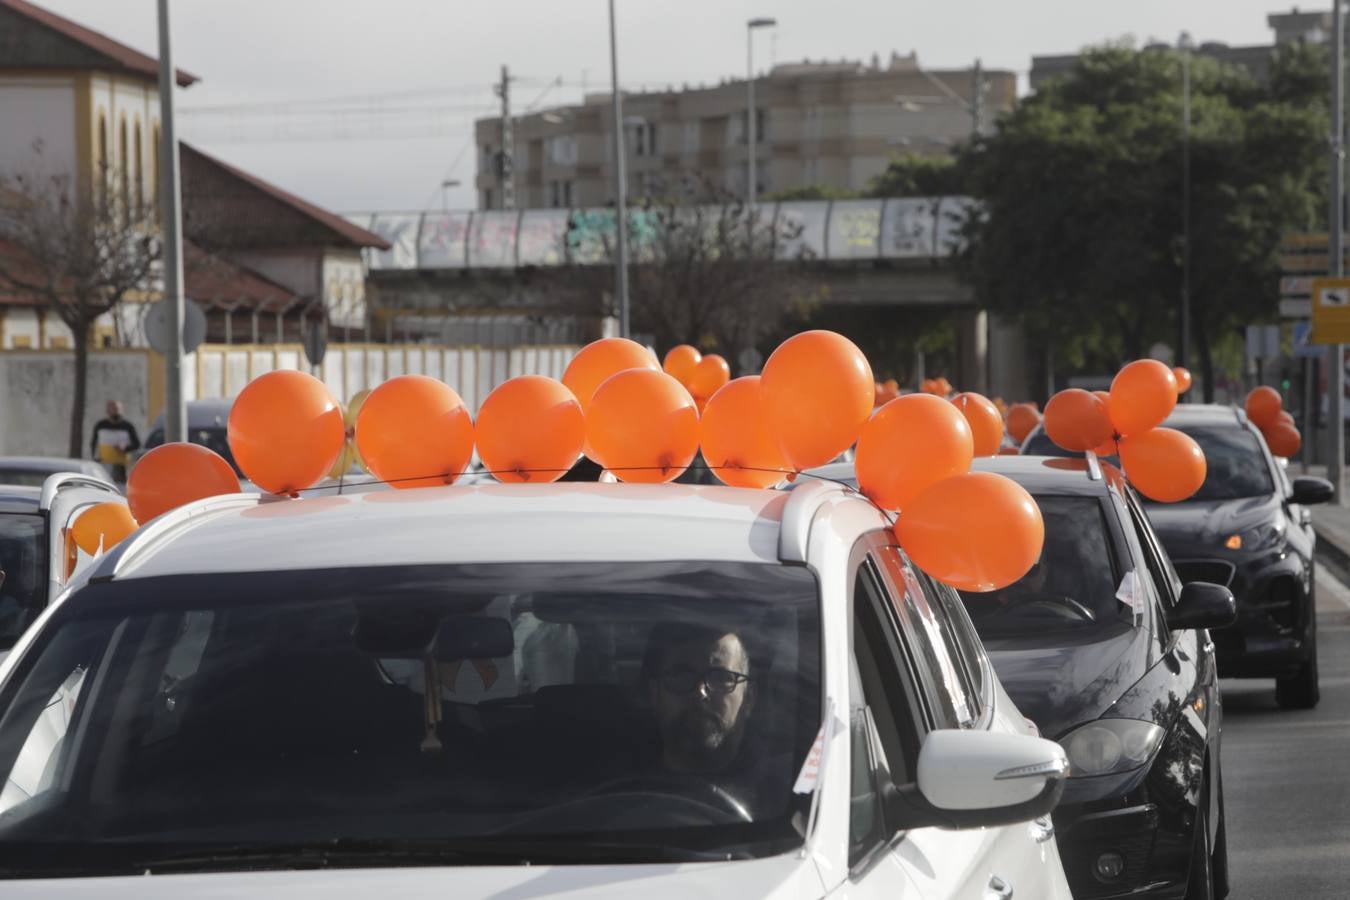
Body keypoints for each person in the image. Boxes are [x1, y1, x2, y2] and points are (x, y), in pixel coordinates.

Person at [643, 623, 756, 775]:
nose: (699, 692)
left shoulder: (787, 789)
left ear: (748, 698)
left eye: (719, 677)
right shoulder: (615, 791)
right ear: (654, 694)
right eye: (681, 676)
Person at [90, 400, 140, 484]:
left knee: (120, 487)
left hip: (121, 465)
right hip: (104, 464)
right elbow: (93, 443)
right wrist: (94, 458)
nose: (116, 411)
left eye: (118, 409)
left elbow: (137, 444)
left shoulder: (128, 426)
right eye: (114, 409)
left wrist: (125, 448)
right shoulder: (100, 425)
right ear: (108, 411)